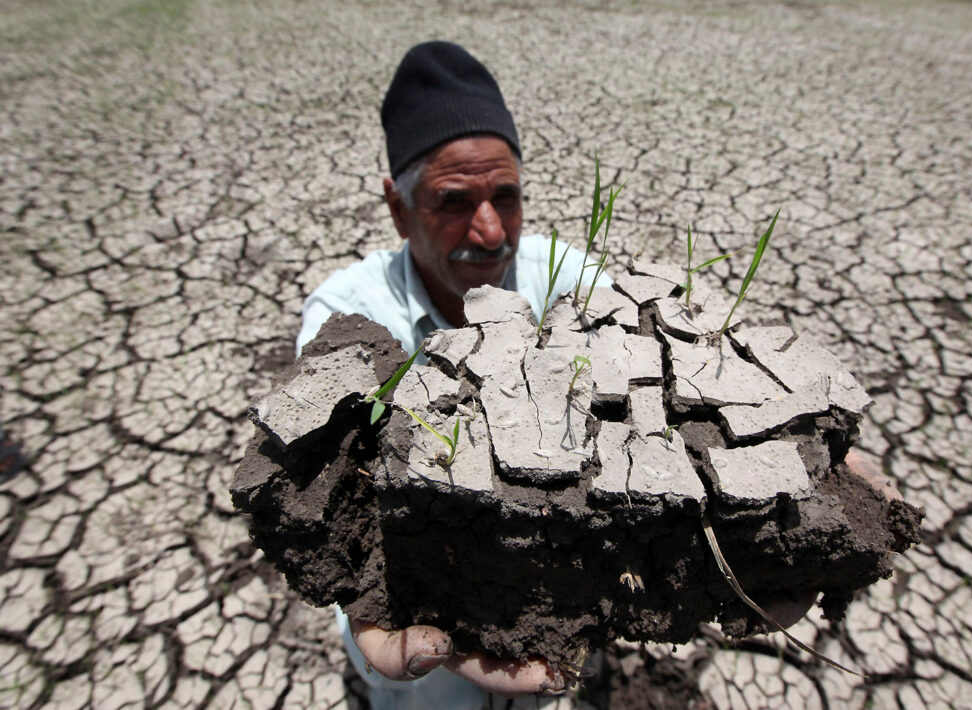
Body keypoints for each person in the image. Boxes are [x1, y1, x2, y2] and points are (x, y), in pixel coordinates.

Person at [296, 40, 898, 710]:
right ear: (398, 207)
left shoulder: (568, 279)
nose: (490, 231)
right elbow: (343, 516)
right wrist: (370, 606)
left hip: (564, 607)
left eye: (506, 196)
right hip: (436, 675)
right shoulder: (351, 320)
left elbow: (663, 394)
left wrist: (779, 446)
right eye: (454, 201)